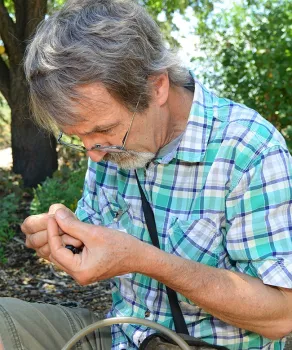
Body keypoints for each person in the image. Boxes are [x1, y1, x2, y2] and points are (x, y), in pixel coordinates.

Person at [1, 0, 292, 349]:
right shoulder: (107, 147)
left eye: (105, 130)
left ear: (157, 87)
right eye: (80, 138)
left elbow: (282, 315)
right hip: (123, 336)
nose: (94, 153)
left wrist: (145, 259)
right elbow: (101, 241)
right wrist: (65, 239)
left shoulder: (248, 150)